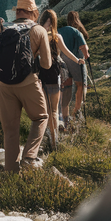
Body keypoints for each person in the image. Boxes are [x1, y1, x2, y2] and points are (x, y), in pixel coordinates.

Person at [0, 0, 51, 172]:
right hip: (28, 83)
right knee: (41, 117)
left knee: (10, 131)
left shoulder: (2, 27)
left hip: (4, 84)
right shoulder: (38, 29)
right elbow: (46, 64)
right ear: (33, 12)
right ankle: (29, 156)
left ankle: (11, 174)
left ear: (17, 12)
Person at [38, 9, 84, 149]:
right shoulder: (57, 37)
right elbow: (66, 52)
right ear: (54, 22)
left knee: (44, 110)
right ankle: (54, 140)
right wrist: (78, 61)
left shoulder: (38, 36)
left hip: (40, 75)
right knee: (53, 110)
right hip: (54, 73)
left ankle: (44, 137)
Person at [58, 11, 90, 126]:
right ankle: (76, 111)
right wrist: (86, 56)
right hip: (76, 61)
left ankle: (64, 117)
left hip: (62, 62)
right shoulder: (77, 31)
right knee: (81, 84)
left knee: (66, 87)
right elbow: (85, 51)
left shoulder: (59, 31)